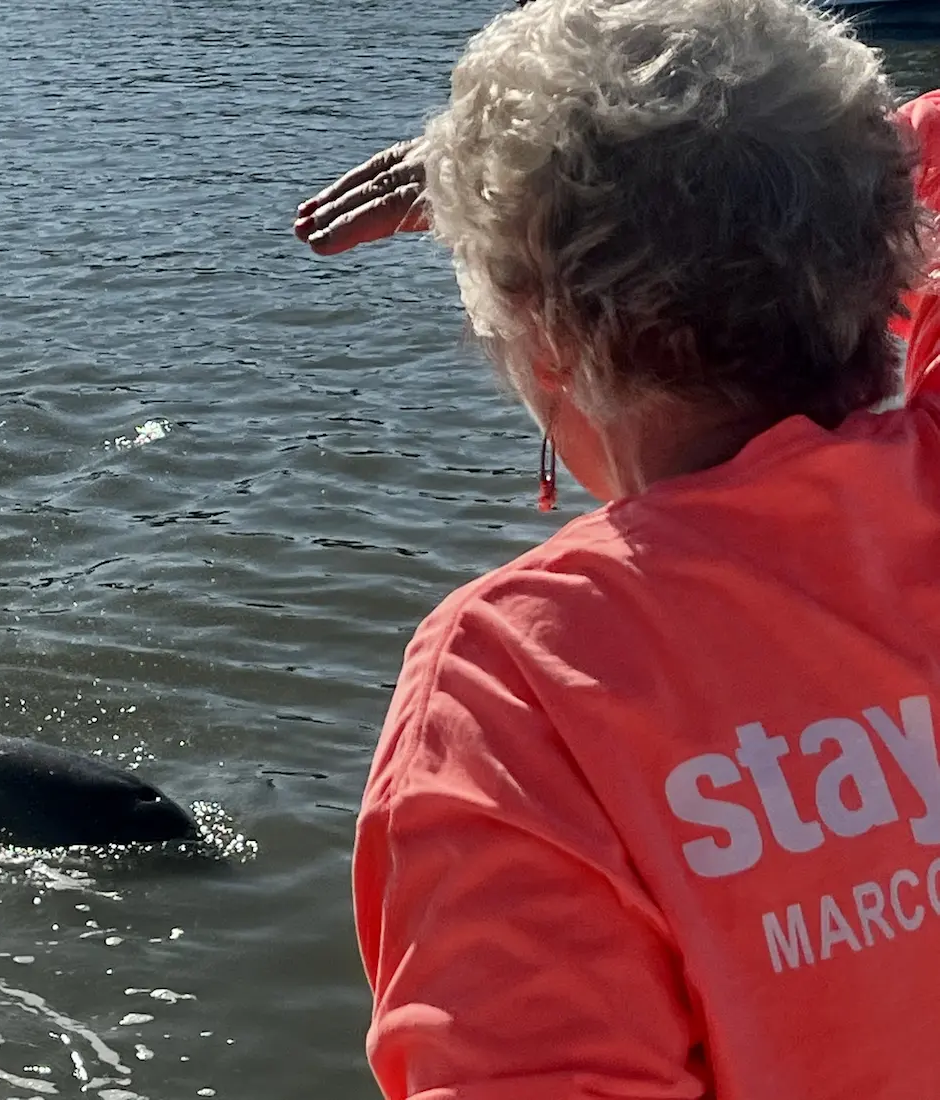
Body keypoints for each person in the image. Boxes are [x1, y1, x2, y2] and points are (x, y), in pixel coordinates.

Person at [297, 0, 940, 1095]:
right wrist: (798, 170)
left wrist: (514, 187)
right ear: (885, 251)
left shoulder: (521, 679)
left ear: (542, 333)